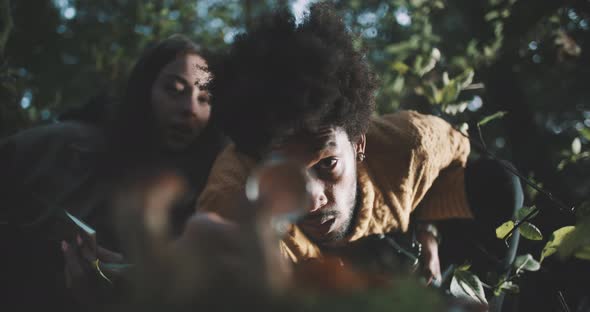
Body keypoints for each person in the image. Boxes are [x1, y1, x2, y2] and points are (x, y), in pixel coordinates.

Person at [193, 3, 510, 289]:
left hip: (406, 241)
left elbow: (460, 158)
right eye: (287, 175)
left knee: (498, 183)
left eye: (326, 164)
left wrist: (428, 230)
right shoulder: (232, 199)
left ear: (359, 143)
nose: (312, 199)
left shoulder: (412, 144)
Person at [0, 34, 226, 309]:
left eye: (204, 98)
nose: (190, 108)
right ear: (144, 89)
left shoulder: (208, 199)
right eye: (175, 89)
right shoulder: (64, 147)